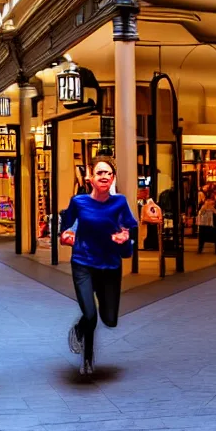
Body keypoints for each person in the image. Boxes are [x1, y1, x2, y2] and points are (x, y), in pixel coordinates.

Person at [60, 156, 138, 375]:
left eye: (108, 173)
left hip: (110, 266)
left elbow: (129, 231)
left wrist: (125, 239)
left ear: (113, 178)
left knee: (110, 319)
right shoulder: (79, 202)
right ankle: (87, 358)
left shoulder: (120, 202)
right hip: (83, 263)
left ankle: (79, 327)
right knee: (91, 314)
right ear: (90, 177)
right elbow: (66, 229)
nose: (104, 176)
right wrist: (66, 235)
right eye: (100, 173)